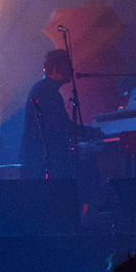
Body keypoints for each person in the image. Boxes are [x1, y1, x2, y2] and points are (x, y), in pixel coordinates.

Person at [18, 47, 98, 181]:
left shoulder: (43, 88)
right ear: (55, 69)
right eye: (67, 67)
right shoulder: (47, 92)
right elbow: (60, 125)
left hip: (40, 157)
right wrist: (89, 132)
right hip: (42, 159)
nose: (71, 71)